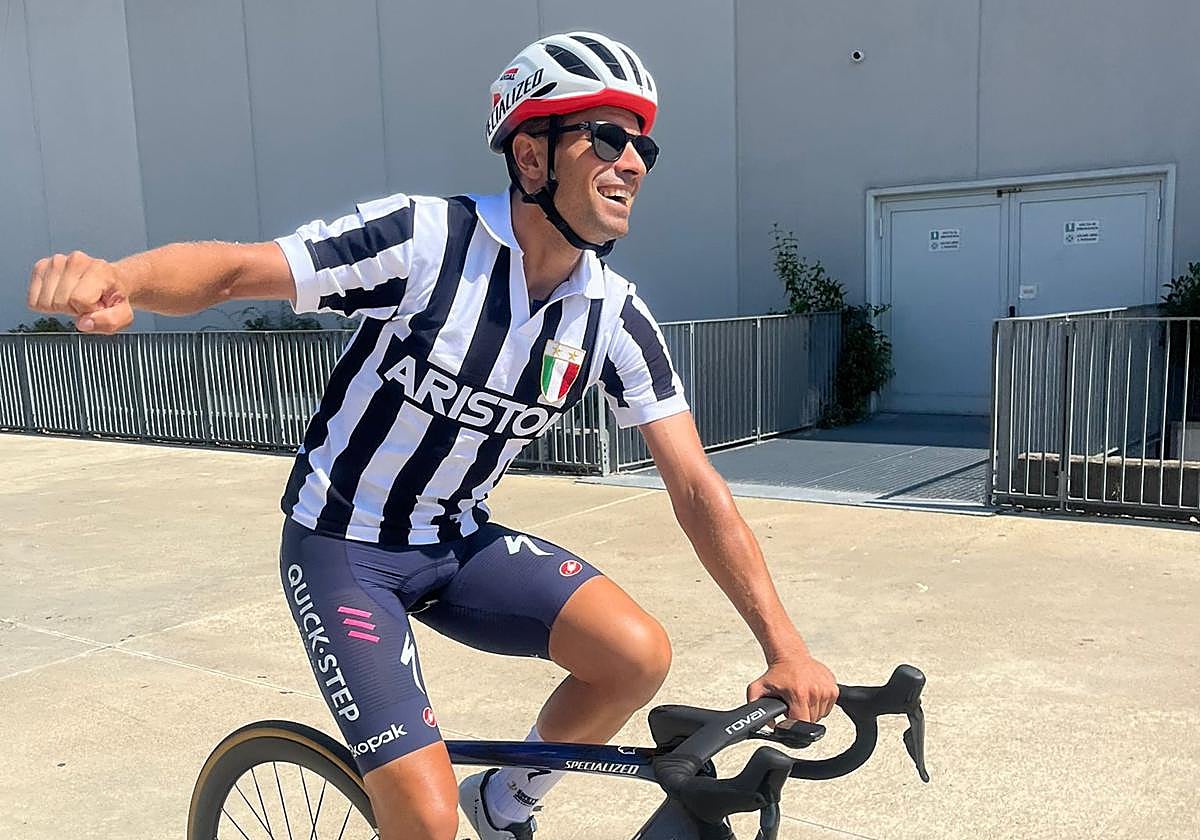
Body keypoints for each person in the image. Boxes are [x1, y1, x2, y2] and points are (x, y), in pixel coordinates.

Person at [26, 31, 837, 840]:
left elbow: (695, 484)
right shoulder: (425, 243)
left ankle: (506, 801)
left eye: (644, 147)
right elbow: (240, 269)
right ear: (531, 156)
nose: (633, 162)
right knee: (421, 814)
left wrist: (785, 644)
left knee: (636, 656)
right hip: (343, 544)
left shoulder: (613, 314)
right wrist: (121, 279)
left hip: (457, 542)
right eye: (608, 138)